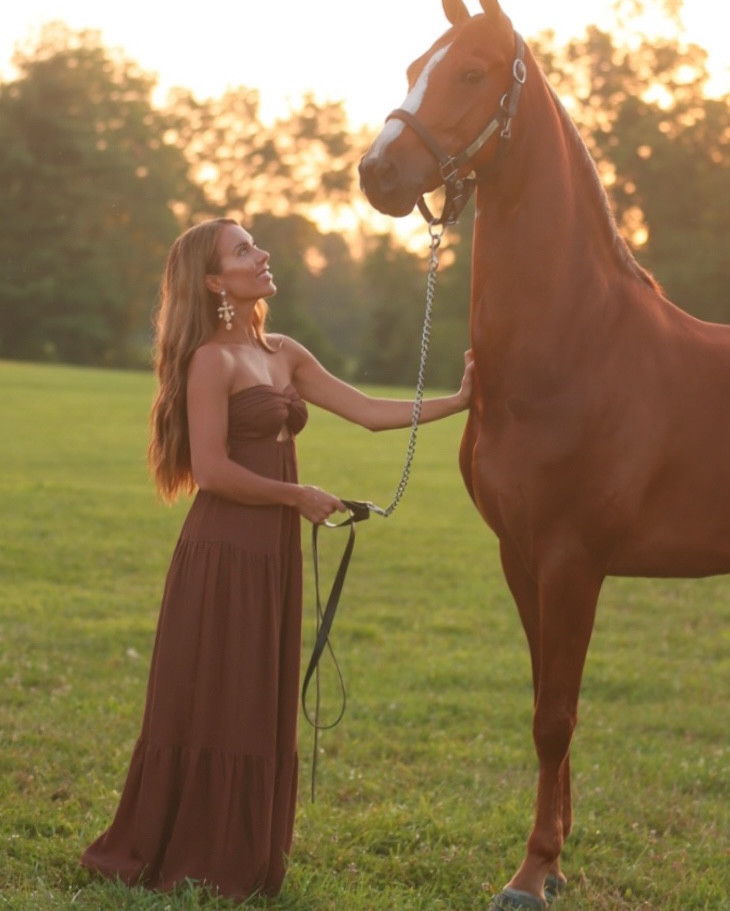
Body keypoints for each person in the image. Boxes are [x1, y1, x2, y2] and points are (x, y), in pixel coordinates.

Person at [80, 217, 473, 901]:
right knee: (217, 698)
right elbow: (212, 471)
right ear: (215, 281)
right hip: (223, 552)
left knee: (256, 698)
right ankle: (191, 846)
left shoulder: (284, 351)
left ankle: (245, 847)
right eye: (243, 250)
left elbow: (371, 412)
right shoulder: (211, 360)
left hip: (272, 557)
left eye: (255, 244)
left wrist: (463, 400)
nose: (261, 254)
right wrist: (298, 494)